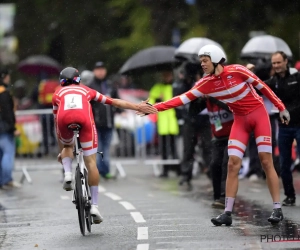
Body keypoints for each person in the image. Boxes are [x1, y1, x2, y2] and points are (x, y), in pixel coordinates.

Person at [141, 44, 290, 226]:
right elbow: (181, 99)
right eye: (201, 61)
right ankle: (227, 212)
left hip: (258, 116)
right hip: (240, 120)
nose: (202, 65)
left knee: (266, 161)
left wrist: (281, 107)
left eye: (205, 61)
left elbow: (264, 88)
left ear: (216, 59)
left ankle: (277, 208)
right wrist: (154, 108)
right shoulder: (205, 83)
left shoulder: (238, 71)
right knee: (232, 164)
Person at [53, 67, 157, 224]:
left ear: (61, 81)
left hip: (64, 120)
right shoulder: (87, 90)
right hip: (85, 121)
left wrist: (63, 152)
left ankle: (67, 173)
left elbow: (57, 122)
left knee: (67, 147)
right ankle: (94, 206)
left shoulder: (57, 94)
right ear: (78, 79)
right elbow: (113, 101)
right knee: (91, 163)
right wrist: (137, 106)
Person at [265, 51, 300, 206]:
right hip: (284, 127)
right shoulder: (273, 81)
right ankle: (290, 195)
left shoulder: (297, 77)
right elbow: (256, 85)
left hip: (299, 124)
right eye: (274, 63)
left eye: (279, 62)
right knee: (284, 163)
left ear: (286, 61)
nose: (277, 66)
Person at [189, 95, 233, 208]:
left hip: (232, 135)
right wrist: (199, 99)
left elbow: (231, 108)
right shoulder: (206, 99)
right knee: (214, 164)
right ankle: (217, 197)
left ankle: (225, 197)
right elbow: (192, 111)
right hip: (218, 136)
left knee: (226, 165)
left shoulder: (225, 93)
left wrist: (214, 98)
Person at [89, 62, 121, 179]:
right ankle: (97, 171)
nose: (100, 72)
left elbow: (117, 101)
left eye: (102, 69)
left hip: (109, 123)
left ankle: (105, 171)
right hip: (96, 124)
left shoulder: (110, 85)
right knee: (98, 149)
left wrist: (120, 111)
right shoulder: (91, 86)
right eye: (98, 69)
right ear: (94, 71)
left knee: (106, 150)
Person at [149, 70, 180, 177]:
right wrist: (157, 99)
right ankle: (165, 169)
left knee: (173, 147)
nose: (167, 76)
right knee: (164, 148)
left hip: (172, 121)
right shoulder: (158, 88)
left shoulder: (175, 86)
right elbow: (150, 101)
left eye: (168, 74)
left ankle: (177, 168)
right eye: (165, 74)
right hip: (162, 122)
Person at [0, 66, 20, 189]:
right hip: (4, 128)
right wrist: (13, 128)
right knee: (7, 153)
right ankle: (7, 180)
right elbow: (8, 112)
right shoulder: (3, 93)